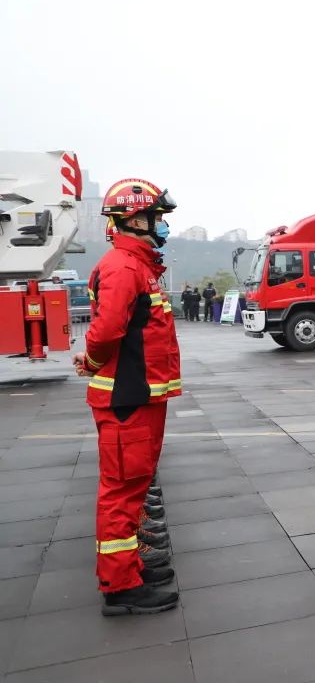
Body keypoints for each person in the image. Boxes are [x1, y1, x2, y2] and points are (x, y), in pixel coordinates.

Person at [72, 178, 182, 615]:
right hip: (127, 400)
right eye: (159, 218)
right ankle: (120, 589)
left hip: (141, 398)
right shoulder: (123, 267)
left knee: (133, 488)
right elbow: (106, 331)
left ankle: (130, 566)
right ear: (136, 219)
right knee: (121, 491)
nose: (163, 226)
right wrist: (94, 363)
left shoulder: (137, 266)